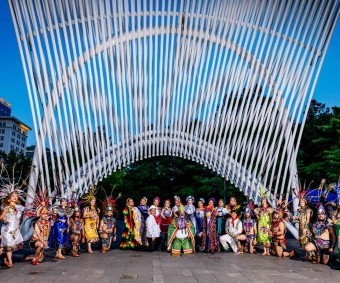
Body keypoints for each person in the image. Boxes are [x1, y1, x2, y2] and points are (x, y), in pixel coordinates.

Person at [0, 190, 25, 268]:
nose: (15, 197)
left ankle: (7, 260)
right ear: (9, 198)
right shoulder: (6, 208)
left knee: (8, 248)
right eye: (13, 196)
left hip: (15, 230)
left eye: (16, 196)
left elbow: (26, 210)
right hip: (7, 229)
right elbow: (1, 218)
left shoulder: (19, 207)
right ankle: (10, 262)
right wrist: (4, 218)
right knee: (7, 246)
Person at [82, 188, 100, 253]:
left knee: (95, 238)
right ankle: (89, 248)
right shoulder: (86, 208)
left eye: (94, 201)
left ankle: (88, 248)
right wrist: (89, 215)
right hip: (88, 224)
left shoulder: (97, 209)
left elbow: (98, 217)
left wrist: (97, 224)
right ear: (89, 201)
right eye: (92, 201)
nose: (93, 202)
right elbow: (83, 216)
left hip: (94, 224)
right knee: (89, 236)